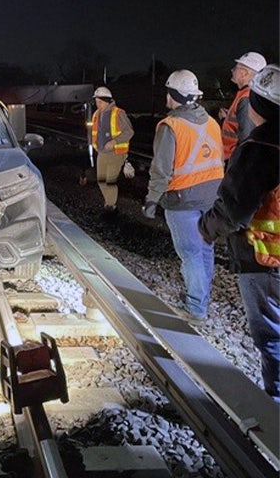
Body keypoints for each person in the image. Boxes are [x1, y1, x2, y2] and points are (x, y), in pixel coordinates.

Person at [199, 63, 280, 401]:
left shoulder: (260, 148)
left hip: (265, 261)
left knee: (272, 340)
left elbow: (234, 211)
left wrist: (206, 228)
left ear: (258, 106)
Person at [144, 69, 224, 324]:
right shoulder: (211, 122)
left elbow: (161, 169)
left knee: (190, 254)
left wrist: (152, 199)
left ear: (174, 95)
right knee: (205, 250)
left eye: (169, 93)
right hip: (212, 198)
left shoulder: (170, 126)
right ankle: (202, 299)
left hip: (183, 200)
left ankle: (196, 309)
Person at [89, 86, 134, 215]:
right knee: (101, 180)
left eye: (100, 102)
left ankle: (110, 206)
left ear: (107, 101)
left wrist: (114, 141)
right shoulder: (96, 115)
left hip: (116, 153)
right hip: (102, 153)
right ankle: (109, 202)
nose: (98, 105)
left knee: (110, 181)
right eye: (96, 102)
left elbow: (129, 132)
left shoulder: (118, 113)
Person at [222, 51, 266, 160]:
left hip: (234, 159)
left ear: (244, 73)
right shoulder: (246, 95)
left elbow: (247, 138)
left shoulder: (246, 98)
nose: (232, 71)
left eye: (236, 68)